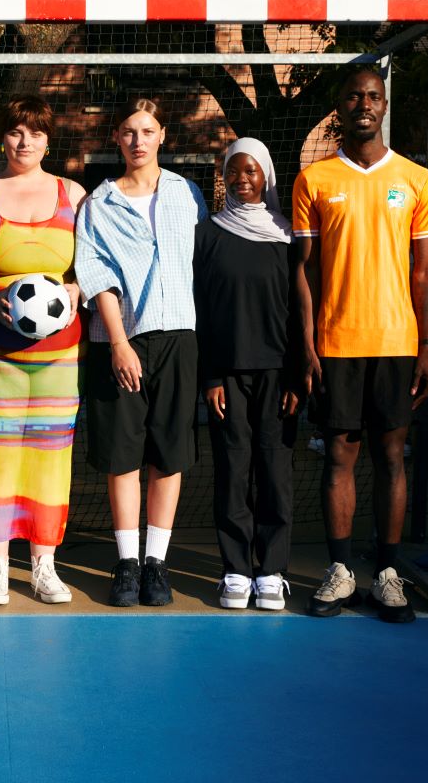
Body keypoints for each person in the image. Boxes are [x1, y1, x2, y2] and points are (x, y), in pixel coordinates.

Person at [292, 70, 428, 624]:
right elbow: (303, 270)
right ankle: (340, 571)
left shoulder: (418, 180)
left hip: (398, 342)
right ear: (340, 106)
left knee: (392, 456)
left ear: (384, 106)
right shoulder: (315, 178)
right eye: (354, 95)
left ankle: (386, 573)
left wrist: (426, 345)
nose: (364, 104)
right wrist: (306, 342)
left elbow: (425, 271)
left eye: (373, 96)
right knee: (338, 458)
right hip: (335, 343)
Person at [74, 98, 208, 607]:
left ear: (162, 136)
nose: (137, 140)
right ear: (116, 138)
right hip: (120, 342)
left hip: (179, 338)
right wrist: (121, 343)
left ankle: (157, 563)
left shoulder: (187, 193)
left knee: (168, 454)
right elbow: (96, 276)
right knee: (122, 455)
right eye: (128, 131)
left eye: (147, 131)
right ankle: (127, 562)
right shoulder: (99, 203)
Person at [0, 95, 86, 606]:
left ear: (48, 140)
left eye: (34, 133)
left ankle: (44, 565)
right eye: (15, 132)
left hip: (60, 357)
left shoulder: (72, 193)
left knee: (50, 458)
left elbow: (92, 262)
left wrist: (76, 287)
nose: (24, 142)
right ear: (2, 139)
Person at [194, 138, 300, 612]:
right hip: (227, 375)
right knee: (233, 470)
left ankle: (272, 571)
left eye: (251, 171)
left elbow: (300, 310)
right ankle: (236, 570)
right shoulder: (208, 234)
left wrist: (298, 375)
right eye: (233, 171)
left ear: (267, 176)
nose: (242, 179)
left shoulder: (288, 236)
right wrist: (211, 374)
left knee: (274, 471)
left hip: (278, 374)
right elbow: (202, 309)